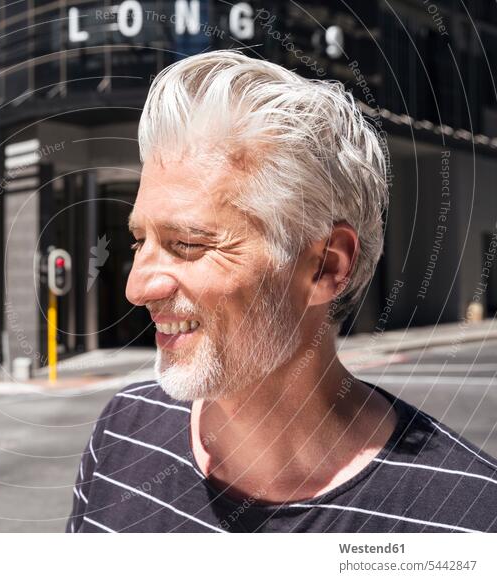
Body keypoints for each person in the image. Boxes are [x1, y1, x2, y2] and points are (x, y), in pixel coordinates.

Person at [67, 50, 497, 533]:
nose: (136, 287)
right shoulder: (122, 433)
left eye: (186, 243)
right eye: (139, 240)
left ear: (325, 266)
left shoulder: (468, 520)